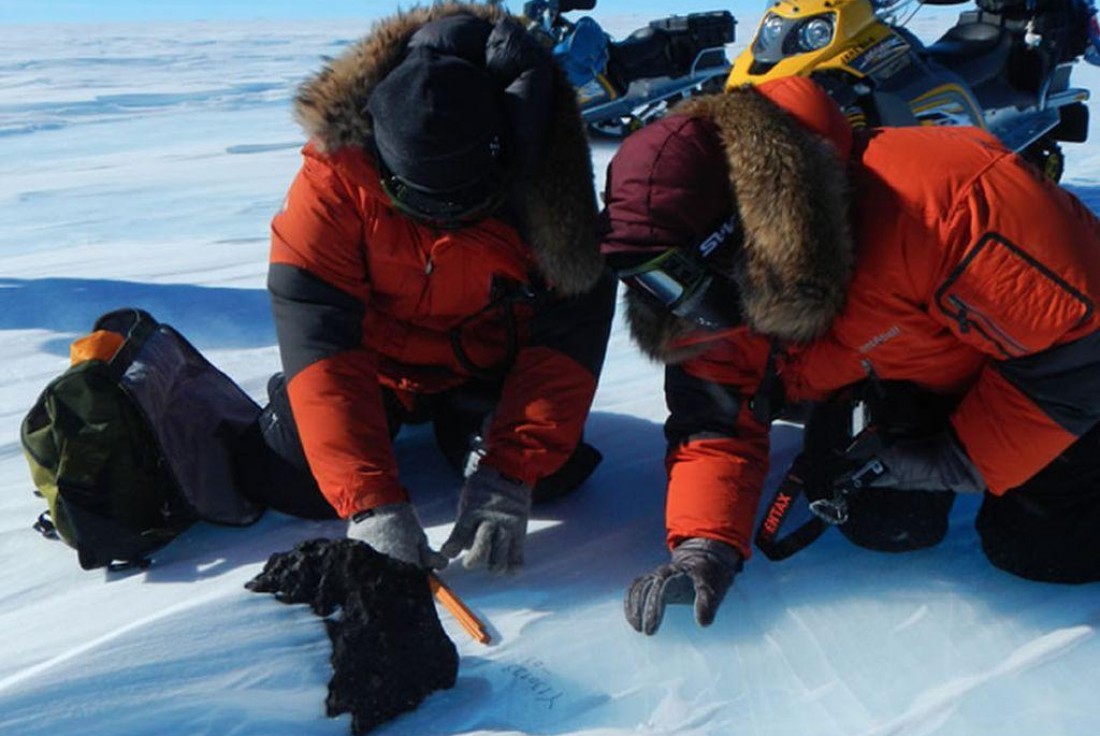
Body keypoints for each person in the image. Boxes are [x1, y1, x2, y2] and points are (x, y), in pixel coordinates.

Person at [598, 75, 1100, 635]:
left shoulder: (947, 202)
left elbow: (1079, 348)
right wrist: (702, 546)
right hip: (913, 372)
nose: (680, 307)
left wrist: (963, 457)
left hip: (1055, 366)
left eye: (677, 280)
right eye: (656, 287)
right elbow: (717, 421)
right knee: (884, 523)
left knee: (1041, 549)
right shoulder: (704, 297)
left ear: (744, 237)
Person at [247, 3, 615, 574]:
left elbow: (570, 330)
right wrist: (371, 506)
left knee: (551, 480)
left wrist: (509, 473)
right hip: (376, 366)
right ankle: (346, 423)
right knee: (294, 479)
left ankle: (465, 424)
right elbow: (316, 327)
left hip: (483, 363)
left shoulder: (546, 174)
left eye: (465, 205)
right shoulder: (335, 174)